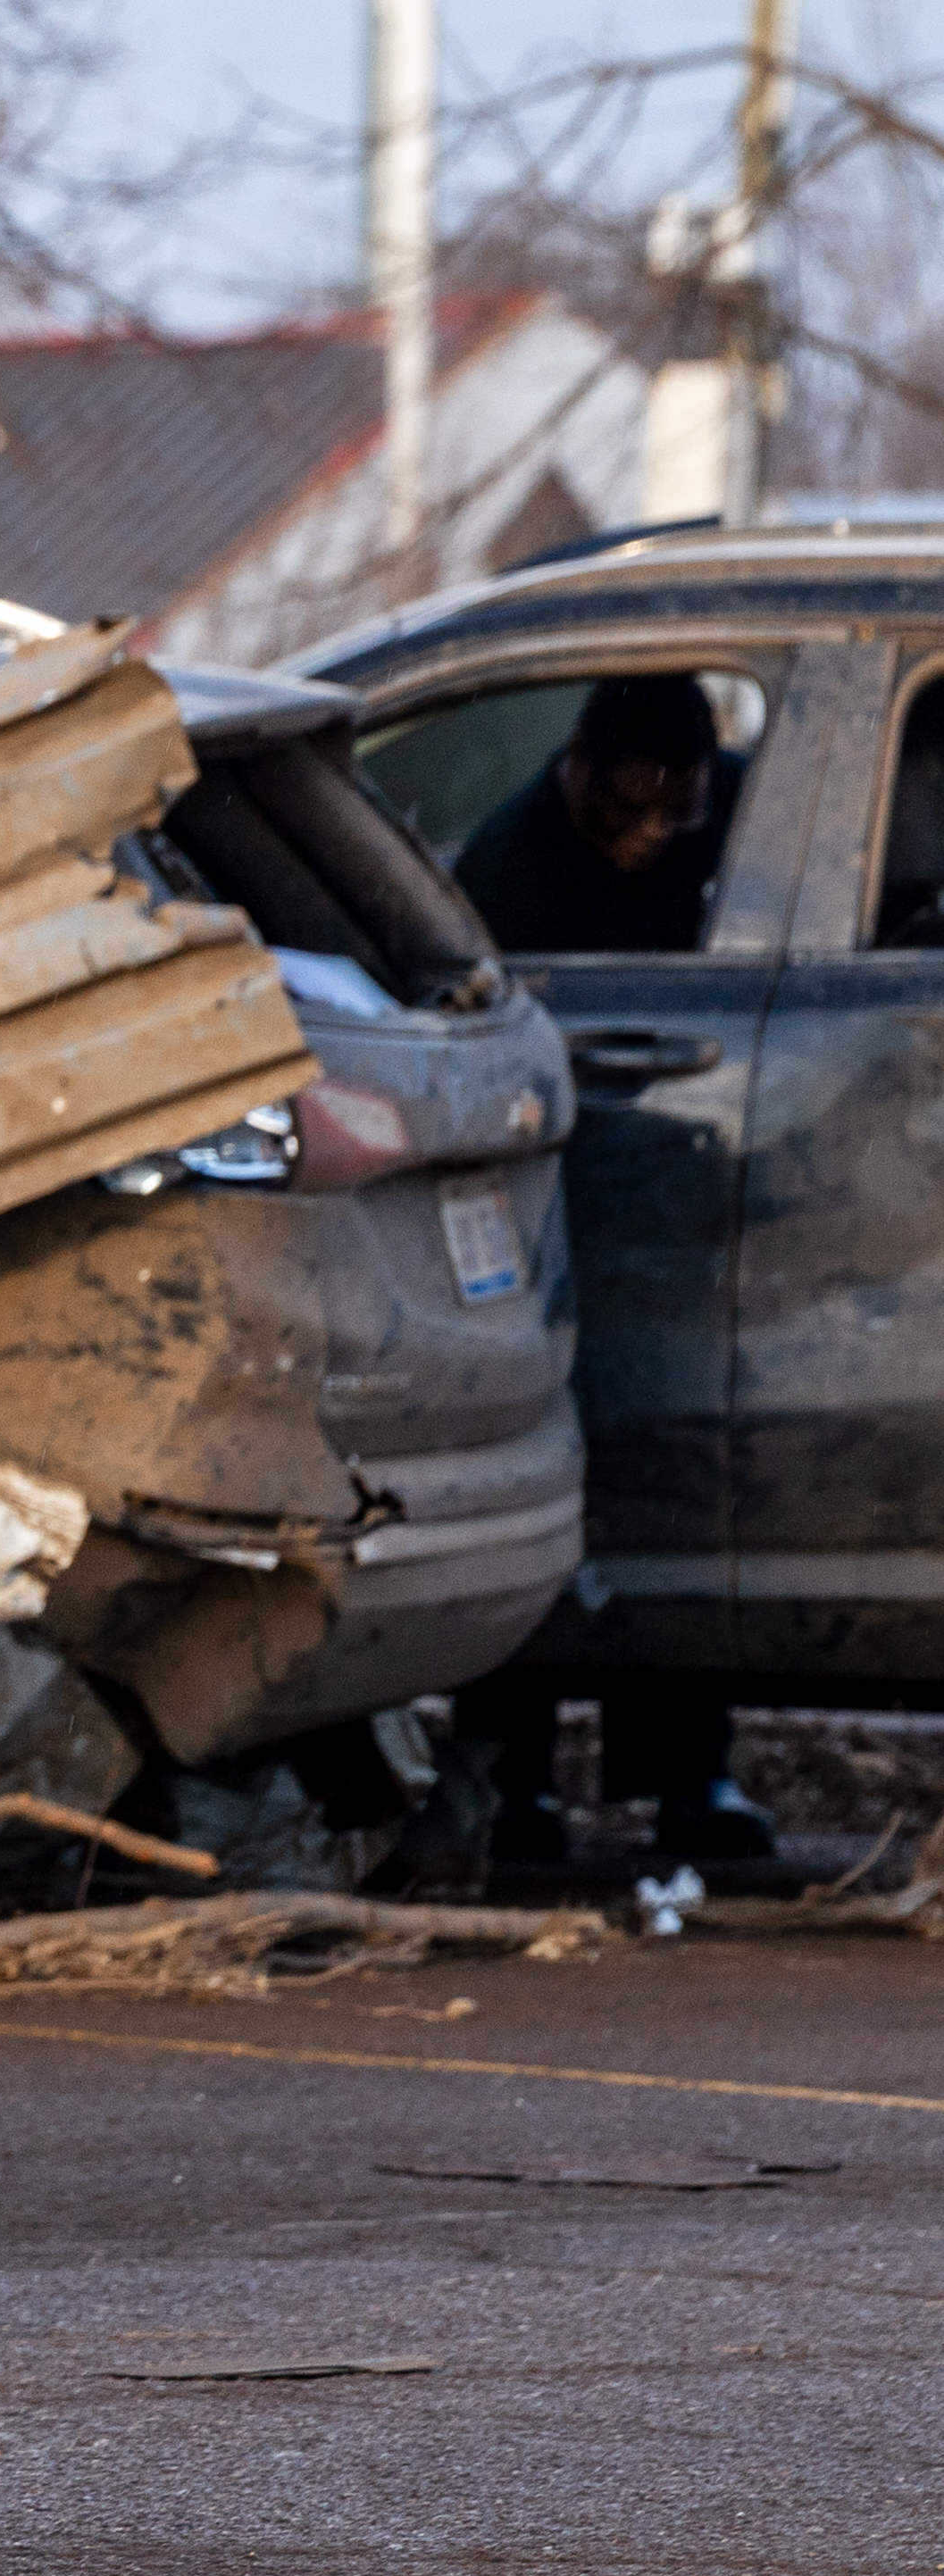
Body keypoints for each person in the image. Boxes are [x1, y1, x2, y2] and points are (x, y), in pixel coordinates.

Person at [441, 671, 772, 1863]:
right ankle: (513, 1780)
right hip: (555, 1197)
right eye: (620, 811)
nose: (643, 838)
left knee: (677, 1476)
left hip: (688, 1197)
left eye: (666, 816)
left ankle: (689, 1774)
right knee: (532, 1479)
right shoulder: (507, 859)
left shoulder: (740, 812)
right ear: (575, 769)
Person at [448, 671, 738, 959]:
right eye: (629, 809)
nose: (655, 831)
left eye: (680, 812)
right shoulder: (504, 874)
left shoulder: (741, 793)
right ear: (578, 769)